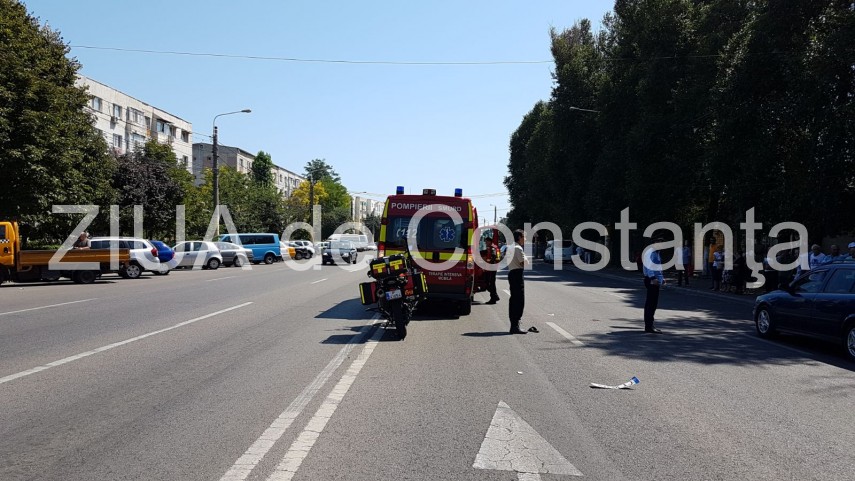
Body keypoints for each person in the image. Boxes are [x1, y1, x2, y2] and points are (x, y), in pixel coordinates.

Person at [508, 229, 530, 334]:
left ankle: (514, 324)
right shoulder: (518, 248)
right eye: (523, 237)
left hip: (512, 273)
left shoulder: (511, 247)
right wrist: (527, 259)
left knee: (514, 299)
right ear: (519, 237)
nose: (524, 239)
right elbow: (524, 263)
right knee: (519, 300)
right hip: (517, 274)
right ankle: (515, 326)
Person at [642, 238, 665, 334]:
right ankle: (648, 326)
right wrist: (652, 278)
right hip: (651, 280)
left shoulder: (656, 252)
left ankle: (650, 325)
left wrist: (662, 278)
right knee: (651, 304)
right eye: (659, 243)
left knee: (653, 304)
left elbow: (658, 267)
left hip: (655, 280)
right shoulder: (650, 252)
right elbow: (649, 267)